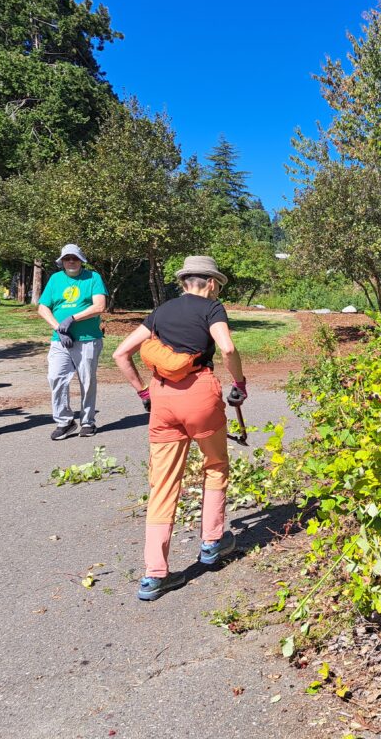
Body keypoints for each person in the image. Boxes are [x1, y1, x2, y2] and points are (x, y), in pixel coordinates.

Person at [112, 256, 246, 601]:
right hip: (199, 394)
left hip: (162, 400)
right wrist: (239, 382)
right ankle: (212, 543)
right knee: (215, 465)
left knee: (163, 484)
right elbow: (227, 346)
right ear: (212, 283)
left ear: (184, 281)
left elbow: (121, 354)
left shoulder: (161, 312)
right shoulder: (212, 309)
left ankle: (154, 575)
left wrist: (143, 392)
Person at [37, 244, 107, 439]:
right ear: (62, 261)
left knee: (87, 380)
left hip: (87, 338)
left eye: (74, 258)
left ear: (81, 260)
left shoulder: (93, 278)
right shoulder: (55, 279)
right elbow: (43, 308)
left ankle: (87, 421)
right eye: (67, 258)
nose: (71, 261)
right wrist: (59, 328)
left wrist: (72, 319)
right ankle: (64, 421)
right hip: (60, 340)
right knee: (56, 377)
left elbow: (99, 305)